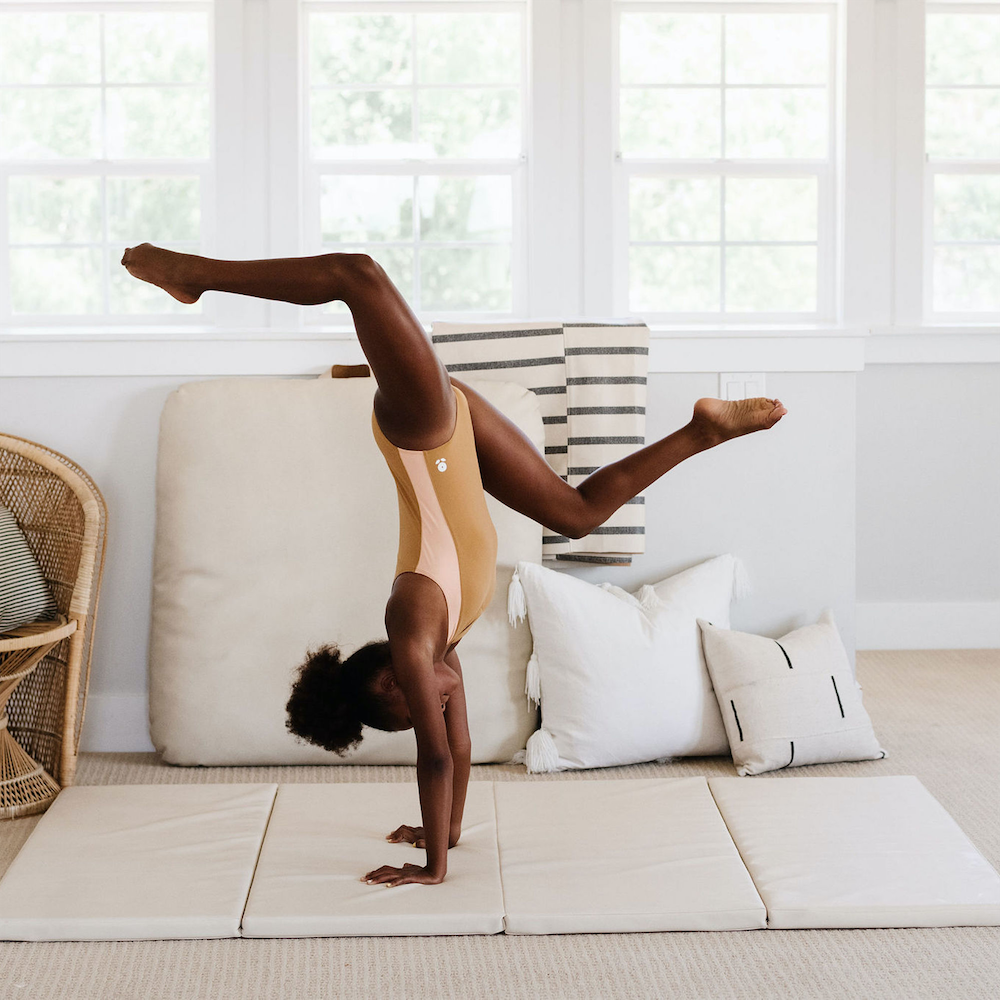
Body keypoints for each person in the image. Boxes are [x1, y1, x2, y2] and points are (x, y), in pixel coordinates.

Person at [121, 244, 788, 888]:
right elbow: (461, 751)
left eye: (415, 704)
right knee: (577, 513)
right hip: (453, 427)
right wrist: (447, 832)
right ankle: (705, 429)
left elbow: (436, 756)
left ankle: (193, 274)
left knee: (356, 275)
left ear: (390, 681)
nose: (437, 702)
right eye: (433, 705)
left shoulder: (414, 625)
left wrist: (433, 867)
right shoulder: (450, 643)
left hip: (423, 433)